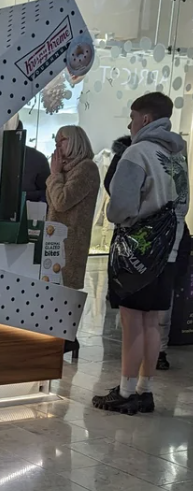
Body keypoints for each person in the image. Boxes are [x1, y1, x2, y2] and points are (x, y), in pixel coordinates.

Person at [93, 92, 189, 415]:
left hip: (139, 254)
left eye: (132, 118)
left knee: (131, 320)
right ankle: (144, 391)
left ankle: (124, 391)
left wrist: (127, 218)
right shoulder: (179, 154)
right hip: (171, 249)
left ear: (145, 119)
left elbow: (120, 207)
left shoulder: (137, 153)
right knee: (152, 323)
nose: (130, 124)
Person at [46, 125, 101, 357]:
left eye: (62, 141)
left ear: (76, 141)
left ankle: (68, 337)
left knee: (65, 288)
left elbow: (61, 201)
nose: (58, 146)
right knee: (54, 288)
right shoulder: (66, 169)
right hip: (55, 237)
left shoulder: (86, 169)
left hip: (71, 240)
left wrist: (55, 175)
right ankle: (63, 337)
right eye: (56, 141)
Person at [18, 123, 50, 202]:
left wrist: (23, 195)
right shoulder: (38, 157)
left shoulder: (38, 158)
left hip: (27, 209)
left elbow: (46, 193)